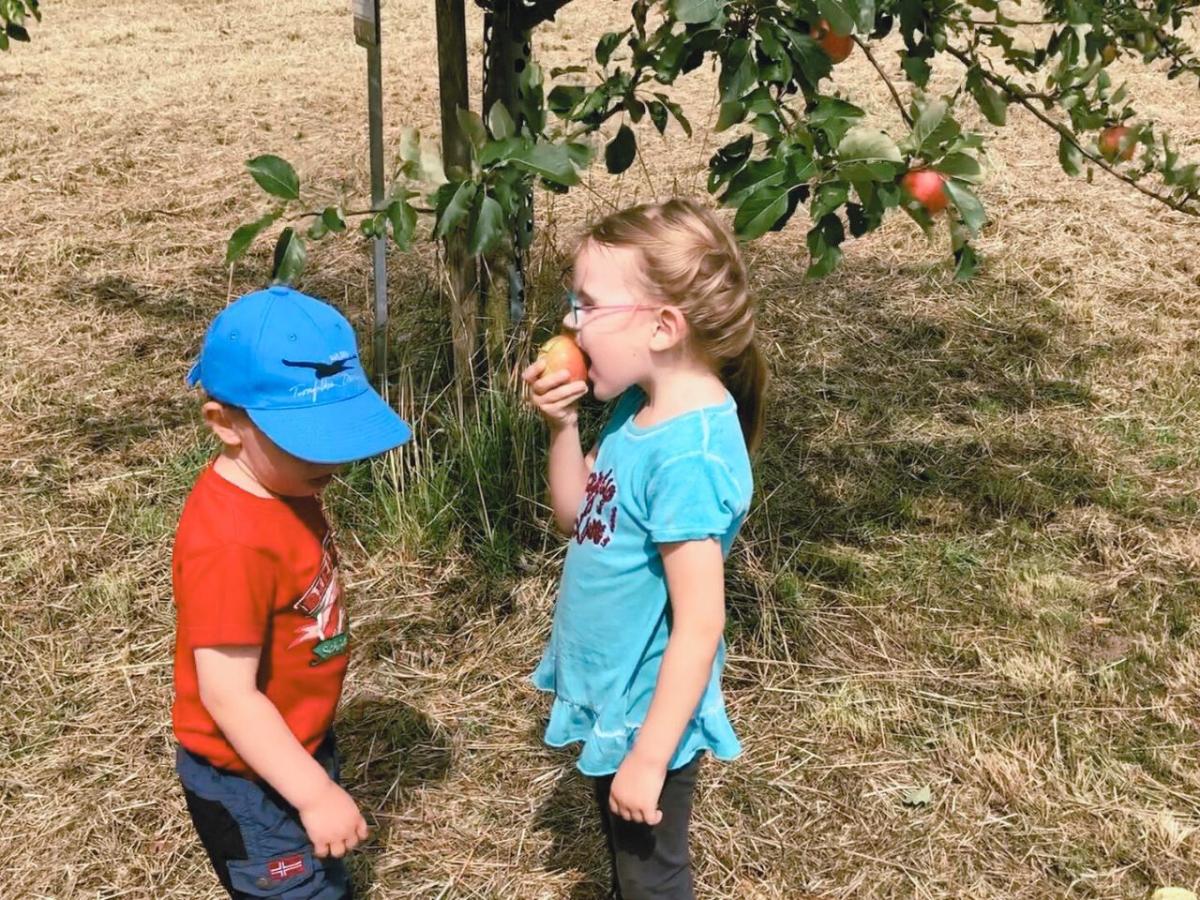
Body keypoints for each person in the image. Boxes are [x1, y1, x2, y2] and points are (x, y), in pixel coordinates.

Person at [523, 198, 766, 899]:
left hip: (646, 712)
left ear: (663, 327)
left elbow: (700, 624)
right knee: (630, 864)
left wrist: (650, 757)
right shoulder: (639, 410)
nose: (570, 321)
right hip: (615, 696)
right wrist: (562, 426)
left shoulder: (688, 459)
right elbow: (576, 515)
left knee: (651, 878)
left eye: (587, 303)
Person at [172, 284, 411, 898]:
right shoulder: (232, 542)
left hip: (293, 741)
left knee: (318, 876)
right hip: (247, 778)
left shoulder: (285, 487)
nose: (332, 457)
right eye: (305, 437)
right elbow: (228, 696)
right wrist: (313, 792)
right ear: (225, 423)